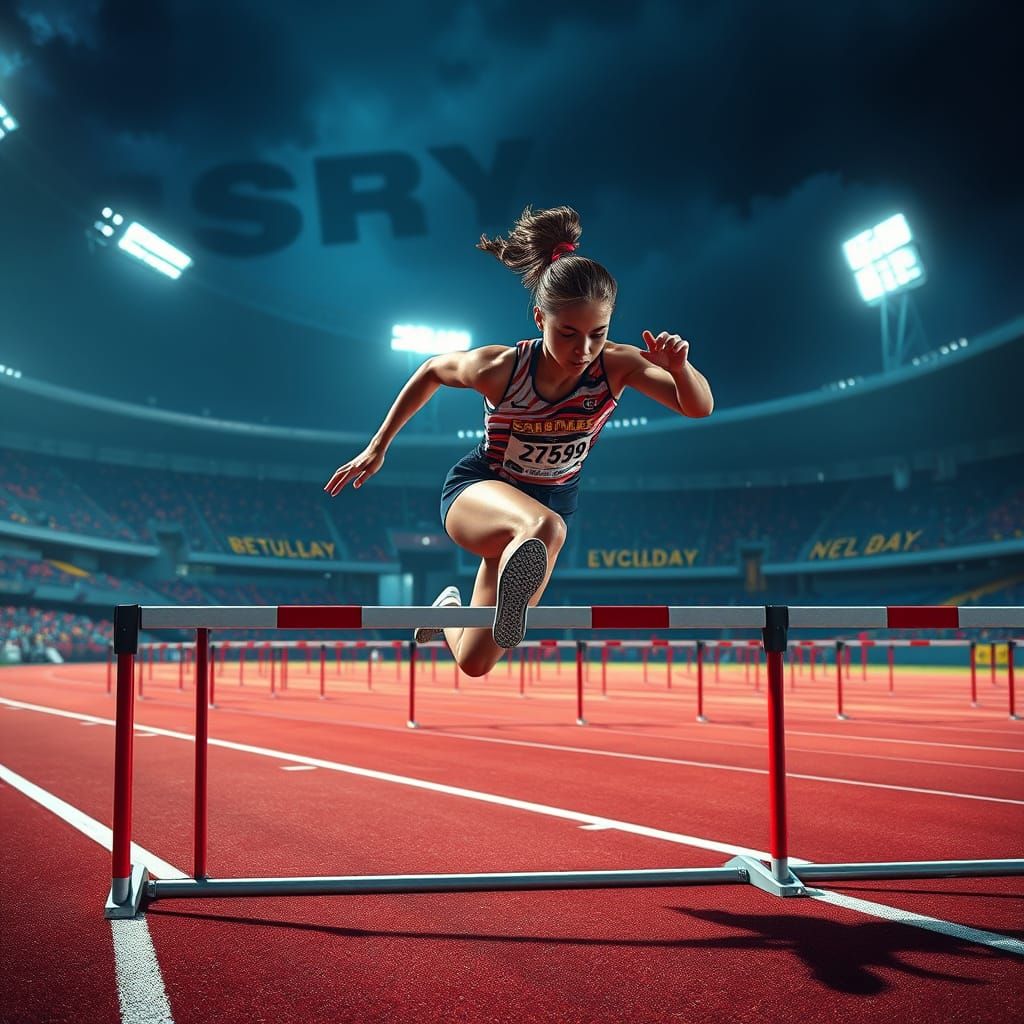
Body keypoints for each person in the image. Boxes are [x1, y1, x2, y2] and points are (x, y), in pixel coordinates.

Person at [324, 205, 713, 676]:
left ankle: (445, 611)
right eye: (567, 333)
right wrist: (378, 445)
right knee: (547, 529)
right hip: (480, 492)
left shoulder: (617, 365)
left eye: (597, 334)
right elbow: (430, 370)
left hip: (543, 512)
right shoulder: (501, 368)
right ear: (538, 318)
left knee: (475, 661)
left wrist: (680, 369)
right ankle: (514, 557)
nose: (583, 350)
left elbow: (698, 406)